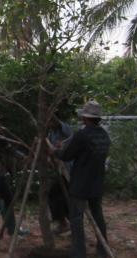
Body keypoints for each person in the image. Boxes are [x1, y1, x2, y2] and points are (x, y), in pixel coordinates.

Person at [50, 100, 111, 258]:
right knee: (98, 215)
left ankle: (78, 253)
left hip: (81, 184)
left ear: (86, 118)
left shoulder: (82, 135)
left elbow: (67, 155)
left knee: (76, 218)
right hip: (97, 183)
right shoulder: (104, 136)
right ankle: (102, 250)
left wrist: (55, 151)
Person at [46, 116, 73, 235]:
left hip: (67, 169)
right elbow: (50, 147)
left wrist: (57, 148)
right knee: (57, 195)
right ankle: (64, 222)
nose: (49, 125)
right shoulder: (51, 133)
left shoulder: (65, 128)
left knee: (63, 196)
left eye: (50, 122)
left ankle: (69, 224)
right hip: (59, 168)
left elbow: (68, 141)